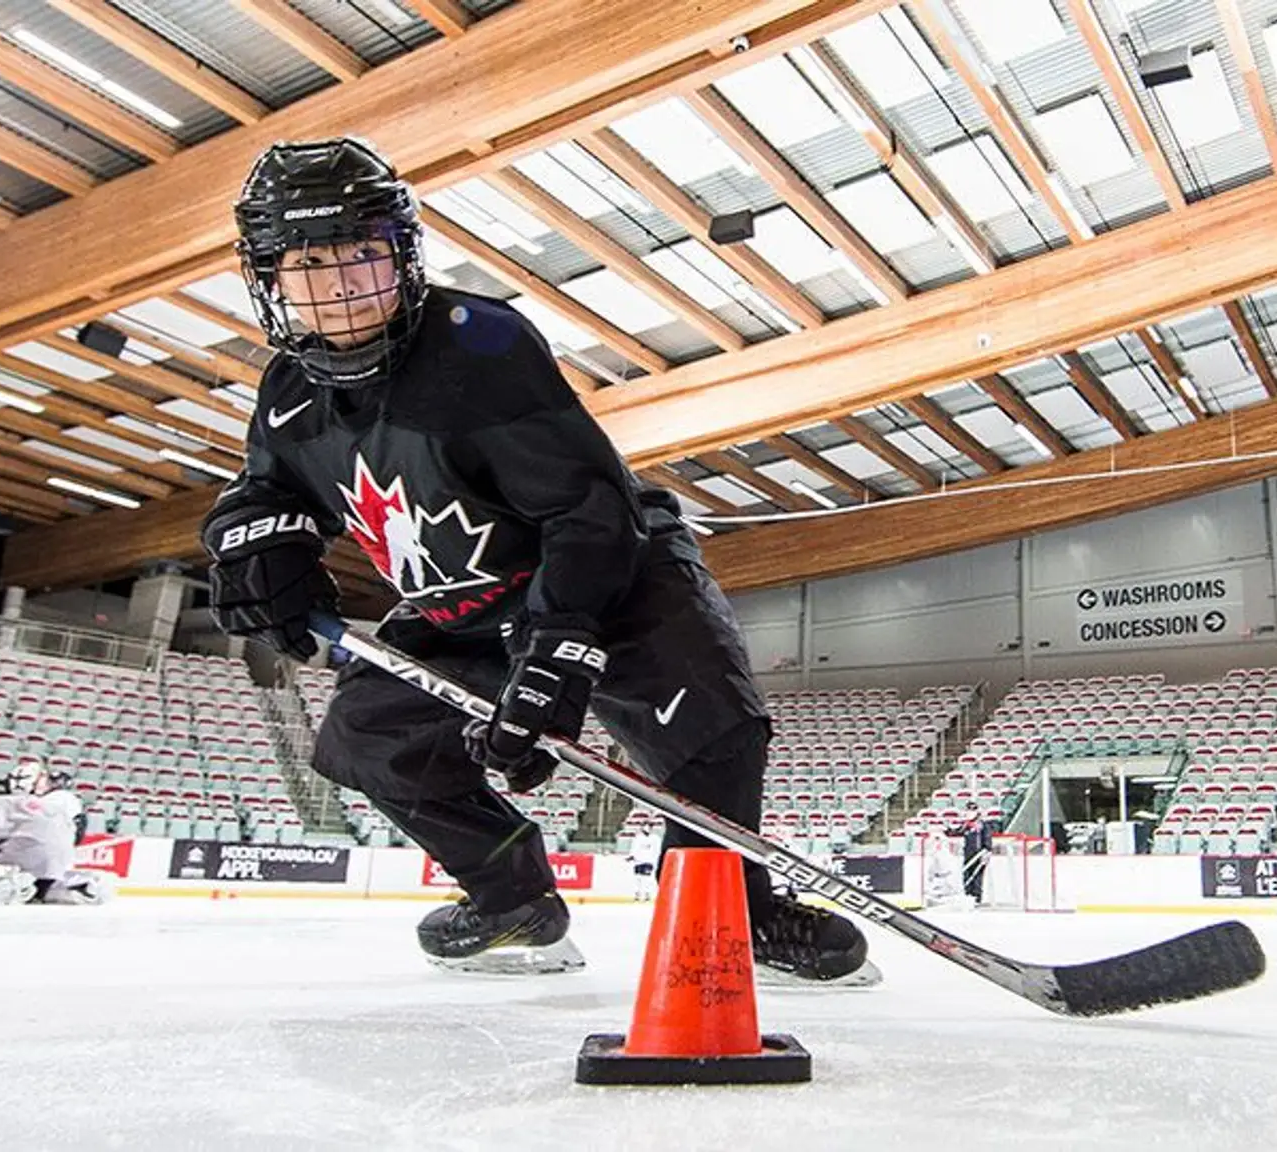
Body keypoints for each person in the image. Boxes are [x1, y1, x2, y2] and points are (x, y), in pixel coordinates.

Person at [200, 137, 871, 984]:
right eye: (311, 260)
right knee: (369, 737)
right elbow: (271, 489)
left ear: (403, 255)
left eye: (363, 252)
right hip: (465, 609)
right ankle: (513, 900)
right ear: (272, 278)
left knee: (713, 732)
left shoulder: (477, 346)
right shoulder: (288, 393)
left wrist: (559, 648)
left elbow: (586, 510)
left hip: (613, 573)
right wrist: (248, 540)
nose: (341, 283)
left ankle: (735, 911)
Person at [0, 760, 111, 906]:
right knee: (47, 877)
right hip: (58, 866)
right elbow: (76, 835)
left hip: (20, 863)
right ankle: (66, 887)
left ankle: (12, 885)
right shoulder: (61, 802)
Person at [628, 828, 662, 902]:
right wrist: (631, 856)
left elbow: (657, 850)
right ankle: (637, 893)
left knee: (647, 878)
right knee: (638, 878)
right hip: (638, 861)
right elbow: (634, 848)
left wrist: (655, 860)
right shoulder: (638, 838)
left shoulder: (655, 838)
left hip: (648, 861)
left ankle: (647, 893)